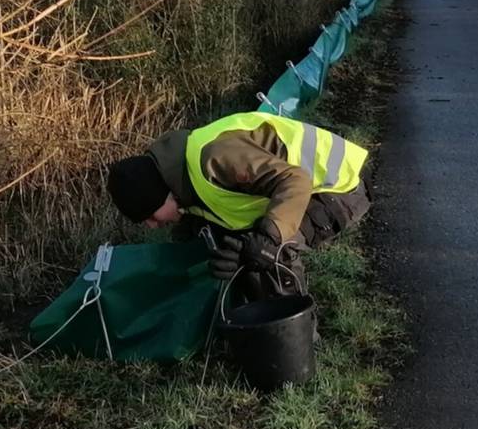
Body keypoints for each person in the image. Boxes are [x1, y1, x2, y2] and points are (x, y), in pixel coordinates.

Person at [106, 110, 373, 301]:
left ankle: (293, 344)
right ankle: (252, 316)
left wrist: (266, 239)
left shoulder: (215, 158)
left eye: (150, 216)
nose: (152, 226)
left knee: (266, 251)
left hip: (337, 187)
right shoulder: (182, 183)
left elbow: (296, 181)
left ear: (161, 195)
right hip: (301, 189)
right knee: (238, 246)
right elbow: (205, 229)